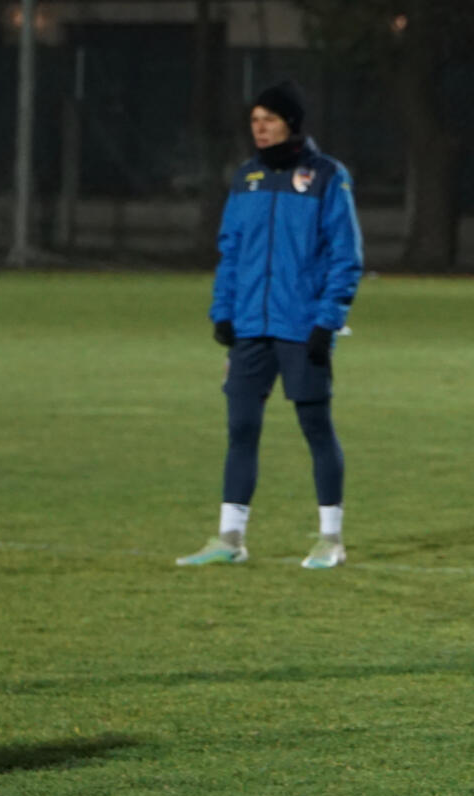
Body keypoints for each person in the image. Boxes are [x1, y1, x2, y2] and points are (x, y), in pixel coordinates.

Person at [177, 80, 363, 570]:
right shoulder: (247, 178)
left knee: (315, 428)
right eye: (254, 121)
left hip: (301, 327)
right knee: (241, 427)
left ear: (291, 124)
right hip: (250, 328)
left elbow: (346, 255)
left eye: (269, 120)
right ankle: (230, 538)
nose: (259, 129)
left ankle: (331, 539)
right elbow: (231, 251)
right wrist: (223, 312)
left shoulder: (326, 176)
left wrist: (328, 320)